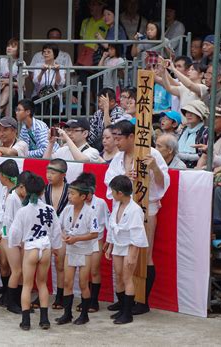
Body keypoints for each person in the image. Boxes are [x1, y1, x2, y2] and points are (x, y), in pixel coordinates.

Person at [104, 120, 170, 316]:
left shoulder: (152, 153)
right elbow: (109, 182)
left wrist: (155, 168)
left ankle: (142, 301)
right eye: (114, 138)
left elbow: (163, 183)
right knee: (119, 259)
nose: (116, 143)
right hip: (121, 210)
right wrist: (125, 176)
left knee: (143, 255)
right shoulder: (118, 158)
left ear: (131, 137)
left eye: (119, 138)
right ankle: (124, 299)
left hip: (145, 210)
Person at [8, 173, 62, 330]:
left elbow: (14, 233)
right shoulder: (50, 209)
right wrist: (56, 248)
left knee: (27, 285)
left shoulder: (23, 211)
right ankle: (44, 320)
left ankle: (26, 322)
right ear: (42, 191)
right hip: (45, 248)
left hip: (31, 248)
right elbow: (56, 231)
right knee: (42, 283)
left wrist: (16, 244)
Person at [105, 175, 148, 324]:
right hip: (118, 244)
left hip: (129, 246)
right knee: (118, 275)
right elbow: (112, 225)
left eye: (113, 191)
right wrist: (109, 245)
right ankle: (122, 308)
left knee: (127, 277)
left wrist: (132, 255)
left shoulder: (135, 210)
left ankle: (127, 313)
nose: (112, 193)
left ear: (120, 193)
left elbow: (136, 234)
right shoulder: (117, 205)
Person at [55, 177, 99, 325]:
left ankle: (84, 315)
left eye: (73, 194)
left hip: (85, 250)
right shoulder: (67, 209)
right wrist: (64, 236)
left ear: (83, 196)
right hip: (70, 249)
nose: (70, 197)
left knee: (83, 283)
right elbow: (58, 227)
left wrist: (77, 238)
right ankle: (67, 314)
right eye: (69, 194)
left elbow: (94, 234)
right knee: (67, 282)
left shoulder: (90, 212)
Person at [74, 173, 109, 313]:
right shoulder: (76, 204)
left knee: (94, 270)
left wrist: (109, 240)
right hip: (80, 240)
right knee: (83, 271)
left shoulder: (100, 203)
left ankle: (94, 301)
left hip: (96, 240)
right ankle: (85, 300)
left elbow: (109, 222)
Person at [2, 171, 31, 314]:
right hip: (10, 240)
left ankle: (19, 301)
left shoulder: (23, 199)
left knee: (22, 272)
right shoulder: (12, 199)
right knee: (17, 271)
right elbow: (7, 222)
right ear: (20, 187)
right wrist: (12, 241)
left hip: (20, 239)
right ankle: (10, 302)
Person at [42, 159, 69, 310]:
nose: (49, 175)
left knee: (60, 265)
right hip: (47, 231)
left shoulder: (70, 190)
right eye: (48, 172)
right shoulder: (44, 190)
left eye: (53, 173)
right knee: (43, 264)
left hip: (64, 231)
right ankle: (42, 293)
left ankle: (60, 296)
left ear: (63, 175)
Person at [0, 159, 20, 307]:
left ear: (4, 176)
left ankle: (10, 293)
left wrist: (2, 232)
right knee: (0, 260)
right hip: (1, 229)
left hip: (9, 232)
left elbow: (12, 219)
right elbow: (0, 210)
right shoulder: (3, 190)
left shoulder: (16, 194)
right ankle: (5, 289)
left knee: (9, 263)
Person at [0, 38, 28, 118]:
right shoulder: (1, 61)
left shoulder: (21, 63)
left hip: (17, 94)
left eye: (13, 46)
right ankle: (7, 120)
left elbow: (21, 83)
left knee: (9, 88)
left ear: (19, 50)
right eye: (8, 46)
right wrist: (3, 81)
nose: (9, 48)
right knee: (8, 89)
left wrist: (8, 82)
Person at [31, 44, 65, 116]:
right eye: (44, 52)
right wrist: (42, 72)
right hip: (39, 97)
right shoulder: (38, 65)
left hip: (54, 98)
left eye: (48, 52)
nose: (45, 54)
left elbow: (60, 83)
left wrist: (57, 71)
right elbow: (35, 82)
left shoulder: (60, 67)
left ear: (54, 54)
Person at [177, 100, 209, 168]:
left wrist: (179, 155)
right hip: (178, 166)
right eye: (187, 112)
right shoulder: (184, 130)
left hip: (195, 168)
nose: (189, 115)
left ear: (200, 116)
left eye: (192, 112)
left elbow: (204, 155)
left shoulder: (205, 132)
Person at [76, 0, 108, 68]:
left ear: (101, 6)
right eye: (90, 5)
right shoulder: (85, 22)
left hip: (99, 58)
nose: (90, 7)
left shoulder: (107, 22)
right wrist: (78, 60)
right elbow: (80, 42)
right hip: (85, 58)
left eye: (93, 4)